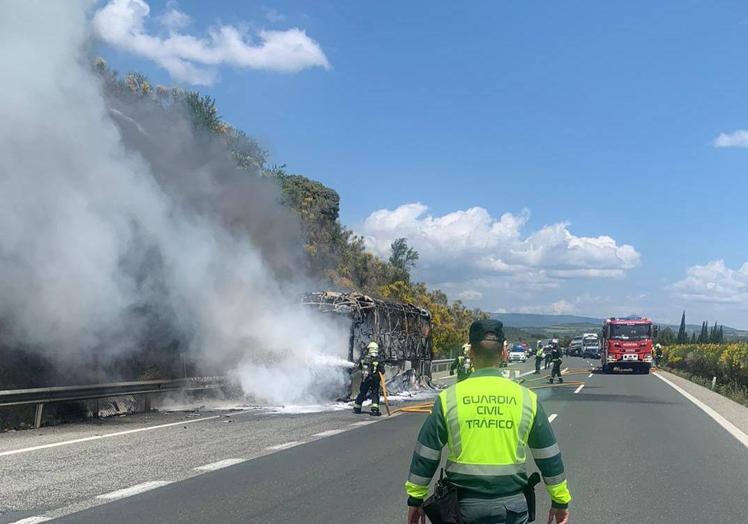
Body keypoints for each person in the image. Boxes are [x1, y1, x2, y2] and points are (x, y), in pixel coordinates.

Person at [405, 319, 571, 524]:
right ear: (503, 353)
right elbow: (548, 456)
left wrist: (416, 498)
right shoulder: (526, 399)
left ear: (470, 353)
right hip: (511, 507)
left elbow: (427, 454)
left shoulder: (449, 398)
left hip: (463, 508)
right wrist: (560, 500)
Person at [353, 341, 385, 416]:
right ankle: (374, 410)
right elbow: (382, 371)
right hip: (375, 380)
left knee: (362, 393)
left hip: (365, 379)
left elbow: (360, 367)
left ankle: (357, 408)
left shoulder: (364, 358)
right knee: (374, 394)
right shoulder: (378, 359)